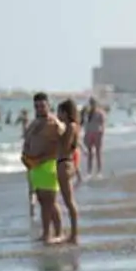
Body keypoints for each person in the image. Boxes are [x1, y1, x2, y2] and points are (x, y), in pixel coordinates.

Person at [22, 92, 66, 244]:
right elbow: (26, 140)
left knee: (51, 201)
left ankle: (58, 232)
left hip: (49, 164)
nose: (39, 109)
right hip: (34, 166)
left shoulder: (53, 123)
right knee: (42, 201)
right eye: (37, 106)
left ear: (48, 105)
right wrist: (25, 157)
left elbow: (66, 140)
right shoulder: (33, 123)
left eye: (42, 105)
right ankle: (46, 232)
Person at [56, 99, 81, 244]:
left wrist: (59, 135)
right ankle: (73, 233)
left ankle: (74, 235)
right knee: (68, 201)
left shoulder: (70, 126)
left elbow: (65, 146)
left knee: (69, 201)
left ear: (65, 112)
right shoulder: (72, 126)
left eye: (60, 112)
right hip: (66, 163)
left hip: (64, 163)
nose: (58, 115)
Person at [83, 98, 106, 177]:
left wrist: (102, 133)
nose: (92, 105)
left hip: (97, 133)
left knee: (98, 153)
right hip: (89, 133)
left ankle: (99, 171)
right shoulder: (88, 113)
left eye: (93, 103)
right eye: (91, 103)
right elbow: (86, 124)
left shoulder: (100, 113)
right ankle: (89, 171)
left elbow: (103, 124)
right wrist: (85, 135)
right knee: (90, 154)